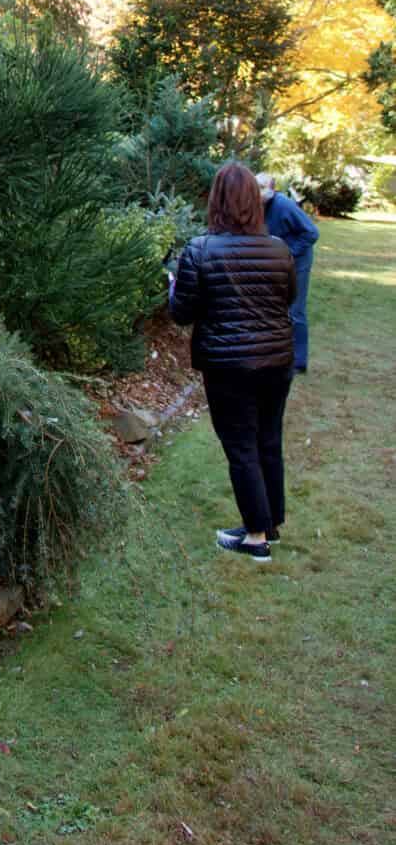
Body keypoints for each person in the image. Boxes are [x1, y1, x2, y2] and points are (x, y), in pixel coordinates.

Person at [169, 161, 296, 564]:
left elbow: (182, 312)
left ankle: (256, 537)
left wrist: (173, 288)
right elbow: (287, 298)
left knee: (242, 446)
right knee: (267, 441)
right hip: (276, 361)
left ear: (216, 201)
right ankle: (269, 522)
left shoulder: (200, 250)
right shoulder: (279, 249)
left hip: (229, 367)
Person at [256, 172, 319, 374]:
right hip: (277, 261)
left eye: (262, 188)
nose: (257, 193)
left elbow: (311, 232)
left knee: (295, 310)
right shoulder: (257, 205)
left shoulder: (284, 205)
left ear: (271, 190)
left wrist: (289, 254)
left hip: (297, 262)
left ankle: (298, 362)